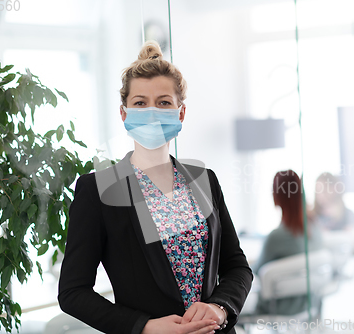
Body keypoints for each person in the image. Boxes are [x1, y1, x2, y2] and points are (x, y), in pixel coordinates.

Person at [57, 40, 253, 334]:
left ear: (180, 113)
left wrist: (219, 308)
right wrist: (145, 327)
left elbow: (237, 267)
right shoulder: (98, 190)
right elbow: (73, 292)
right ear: (124, 114)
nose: (152, 112)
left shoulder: (204, 180)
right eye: (139, 103)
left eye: (163, 102)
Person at [252, 170, 323, 316]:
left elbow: (256, 272)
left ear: (276, 197)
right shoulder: (315, 229)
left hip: (278, 307)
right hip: (309, 304)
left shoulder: (276, 237)